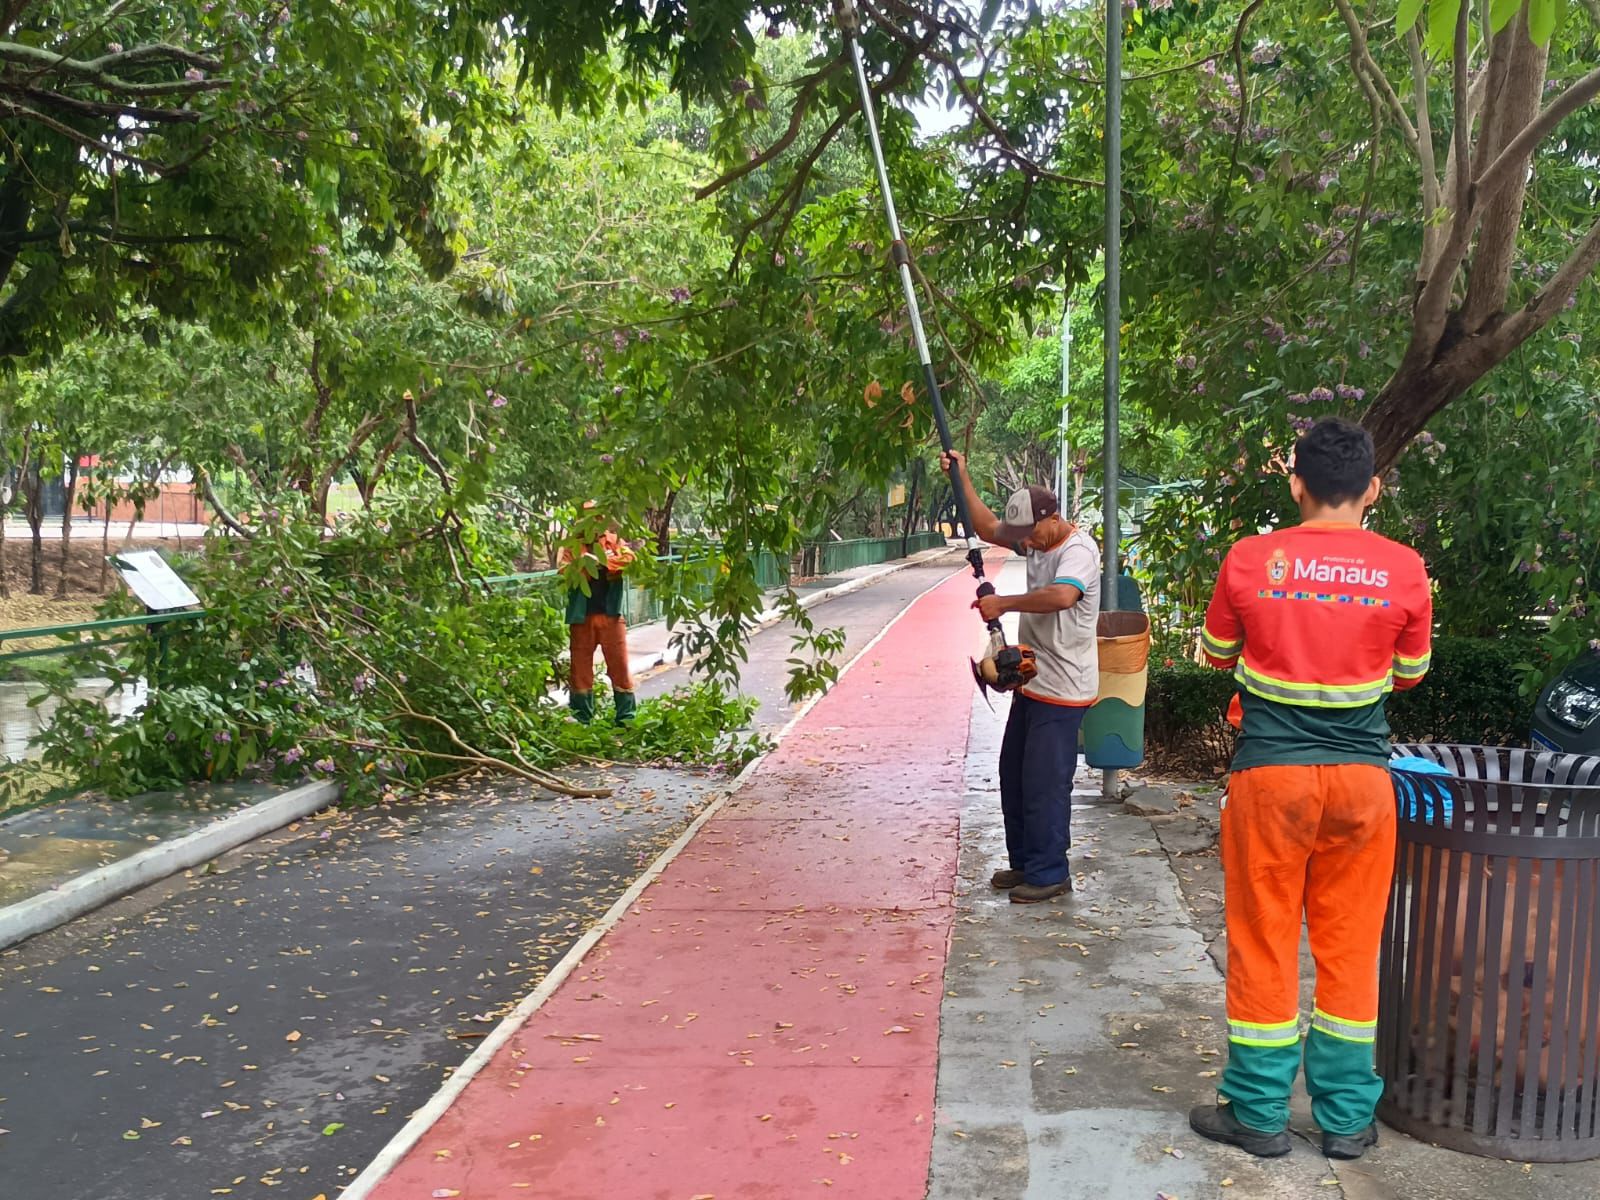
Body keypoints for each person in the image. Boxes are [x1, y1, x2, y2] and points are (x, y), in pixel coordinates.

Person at [1189, 416, 1432, 1162]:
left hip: (1271, 780)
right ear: (1372, 489)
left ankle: (1259, 1114)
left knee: (1263, 944)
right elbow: (1410, 674)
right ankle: (1346, 1120)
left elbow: (1213, 654)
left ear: (1295, 483)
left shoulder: (1250, 560)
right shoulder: (1405, 569)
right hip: (1364, 786)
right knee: (1352, 951)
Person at [941, 450, 1101, 904]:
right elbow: (989, 527)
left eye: (1030, 532)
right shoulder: (1035, 540)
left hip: (1065, 688)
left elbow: (1063, 596)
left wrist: (1004, 604)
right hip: (1033, 683)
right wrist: (963, 475)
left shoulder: (1078, 551)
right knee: (1013, 774)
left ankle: (1050, 871)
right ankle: (1026, 863)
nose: (1025, 541)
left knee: (1045, 782)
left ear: (1051, 520)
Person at [558, 504, 638, 726]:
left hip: (611, 615)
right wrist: (584, 564)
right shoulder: (573, 546)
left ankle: (626, 718)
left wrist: (603, 562)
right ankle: (582, 718)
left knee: (619, 665)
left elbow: (630, 559)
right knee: (580, 668)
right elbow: (564, 571)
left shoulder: (613, 541)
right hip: (581, 617)